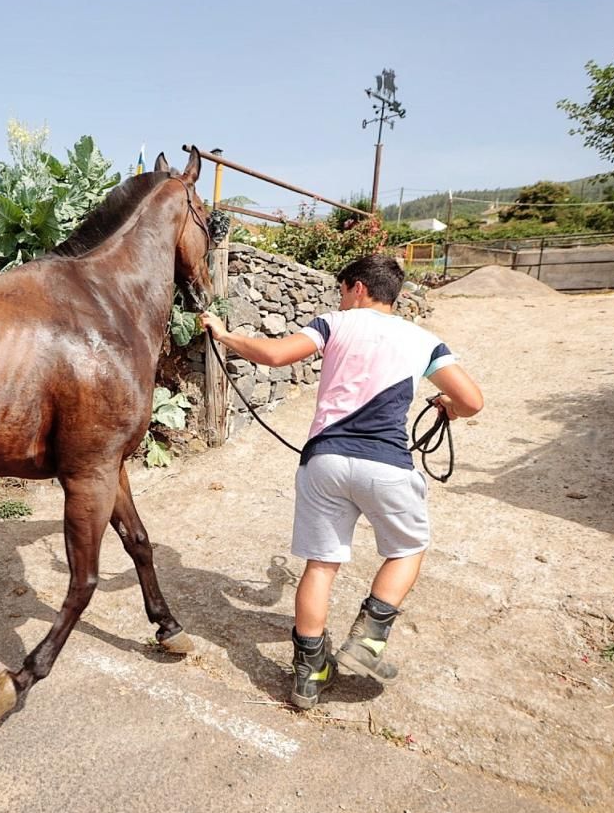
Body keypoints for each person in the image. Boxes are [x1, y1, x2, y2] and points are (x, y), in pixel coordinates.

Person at [200, 253, 483, 708]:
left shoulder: (334, 323)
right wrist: (446, 404)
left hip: (325, 461)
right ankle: (367, 643)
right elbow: (473, 401)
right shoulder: (426, 340)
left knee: (321, 565)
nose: (341, 297)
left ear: (356, 287)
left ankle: (309, 677)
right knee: (407, 549)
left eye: (342, 289)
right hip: (387, 464)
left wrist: (225, 333)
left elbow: (274, 355)